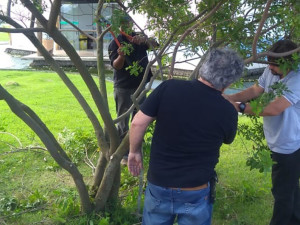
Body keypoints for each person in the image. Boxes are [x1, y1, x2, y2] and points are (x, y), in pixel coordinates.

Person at [128, 48, 244, 225]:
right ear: (228, 83)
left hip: (159, 184)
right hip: (196, 189)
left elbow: (137, 123)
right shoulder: (228, 111)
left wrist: (134, 152)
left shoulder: (169, 87)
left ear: (203, 68)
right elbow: (228, 139)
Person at [224, 39, 300, 225]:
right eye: (269, 63)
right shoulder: (272, 69)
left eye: (274, 64)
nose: (270, 68)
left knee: (282, 193)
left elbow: (274, 108)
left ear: (288, 62)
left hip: (289, 144)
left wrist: (238, 107)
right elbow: (255, 89)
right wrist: (227, 98)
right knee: (290, 188)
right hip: (279, 140)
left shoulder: (297, 78)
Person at [108, 16, 157, 165]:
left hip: (141, 86)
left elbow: (156, 45)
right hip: (123, 87)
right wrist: (121, 56)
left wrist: (145, 40)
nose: (127, 27)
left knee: (140, 119)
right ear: (119, 26)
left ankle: (136, 149)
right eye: (124, 25)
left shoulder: (139, 38)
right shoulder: (115, 42)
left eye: (129, 23)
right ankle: (123, 154)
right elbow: (116, 66)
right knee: (123, 120)